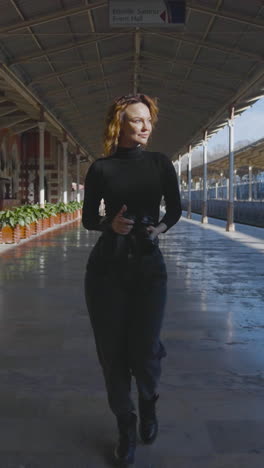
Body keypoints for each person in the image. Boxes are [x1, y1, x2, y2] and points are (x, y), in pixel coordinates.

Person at [82, 94, 182, 466]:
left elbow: (174, 208)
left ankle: (148, 400)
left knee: (145, 351)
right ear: (118, 126)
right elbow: (89, 218)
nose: (145, 127)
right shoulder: (101, 169)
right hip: (106, 269)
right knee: (113, 354)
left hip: (148, 266)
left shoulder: (160, 164)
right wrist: (111, 223)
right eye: (137, 121)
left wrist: (158, 228)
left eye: (148, 120)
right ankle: (126, 425)